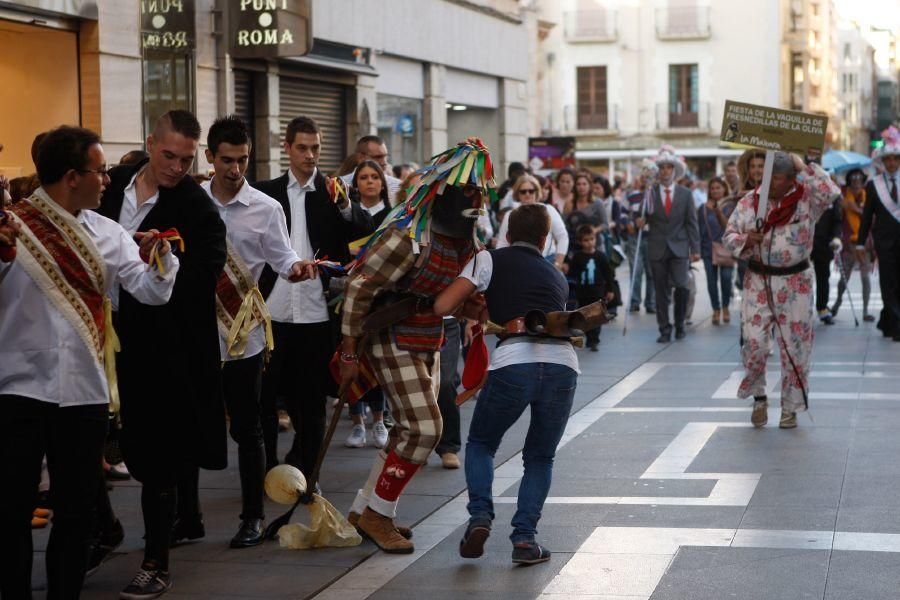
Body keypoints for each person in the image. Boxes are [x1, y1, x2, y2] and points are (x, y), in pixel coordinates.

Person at [0, 125, 178, 600]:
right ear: (71, 176)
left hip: (84, 392)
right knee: (12, 511)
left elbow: (151, 291)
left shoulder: (107, 231)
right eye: (99, 171)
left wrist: (160, 257)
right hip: (17, 389)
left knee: (77, 514)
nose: (107, 180)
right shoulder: (12, 228)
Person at [338, 138, 495, 554]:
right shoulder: (407, 237)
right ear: (442, 191)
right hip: (392, 336)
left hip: (431, 337)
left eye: (478, 190)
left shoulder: (466, 243)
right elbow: (358, 289)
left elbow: (458, 291)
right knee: (427, 428)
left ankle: (363, 509)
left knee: (408, 429)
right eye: (467, 190)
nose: (475, 198)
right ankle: (379, 515)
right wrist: (350, 353)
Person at [95, 110, 227, 598]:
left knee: (157, 456)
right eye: (169, 155)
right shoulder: (113, 184)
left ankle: (156, 559)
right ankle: (103, 528)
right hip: (96, 336)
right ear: (150, 143)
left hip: (159, 349)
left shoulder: (198, 209)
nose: (176, 166)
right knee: (89, 445)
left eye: (186, 159)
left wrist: (161, 262)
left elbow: (203, 278)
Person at [431, 203, 579, 565]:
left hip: (514, 362)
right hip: (563, 367)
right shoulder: (556, 275)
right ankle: (525, 540)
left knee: (482, 443)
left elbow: (442, 306)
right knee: (541, 457)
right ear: (545, 239)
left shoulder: (489, 259)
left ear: (507, 234)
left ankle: (481, 515)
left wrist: (471, 299)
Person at [200, 115, 315, 548]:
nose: (235, 170)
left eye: (243, 160)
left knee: (249, 428)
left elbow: (282, 256)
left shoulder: (267, 208)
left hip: (241, 333)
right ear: (210, 157)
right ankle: (186, 516)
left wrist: (297, 269)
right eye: (226, 160)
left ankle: (252, 516)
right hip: (196, 330)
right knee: (191, 423)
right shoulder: (193, 202)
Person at [253, 116, 374, 482]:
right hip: (270, 310)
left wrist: (346, 210)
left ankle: (308, 472)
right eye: (302, 147)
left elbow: (365, 235)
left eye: (316, 148)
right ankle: (266, 471)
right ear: (286, 148)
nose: (310, 155)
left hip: (317, 312)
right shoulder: (266, 192)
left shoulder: (335, 192)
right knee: (265, 399)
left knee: (312, 400)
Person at [722, 152, 840, 429]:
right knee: (754, 344)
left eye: (778, 177)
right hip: (758, 280)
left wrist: (803, 165)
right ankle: (760, 396)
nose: (772, 182)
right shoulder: (750, 202)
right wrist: (746, 239)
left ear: (791, 179)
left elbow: (830, 191)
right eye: (769, 176)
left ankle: (791, 407)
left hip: (796, 282)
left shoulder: (807, 200)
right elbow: (728, 237)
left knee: (796, 348)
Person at [345, 160, 392, 450]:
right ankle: (357, 422)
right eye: (364, 177)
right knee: (351, 359)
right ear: (356, 183)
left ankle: (379, 420)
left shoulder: (393, 215)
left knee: (378, 361)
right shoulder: (349, 214)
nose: (370, 182)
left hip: (383, 297)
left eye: (375, 177)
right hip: (352, 294)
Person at [639, 146, 700, 342]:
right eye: (662, 167)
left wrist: (696, 249)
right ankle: (664, 329)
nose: (665, 171)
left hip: (680, 248)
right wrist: (639, 221)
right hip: (657, 248)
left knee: (682, 286)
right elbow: (642, 216)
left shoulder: (685, 193)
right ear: (658, 171)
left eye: (669, 167)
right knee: (661, 291)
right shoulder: (650, 192)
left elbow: (691, 222)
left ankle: (680, 322)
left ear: (674, 171)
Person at [856, 125, 900, 342]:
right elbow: (866, 216)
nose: (891, 163)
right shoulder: (874, 185)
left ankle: (889, 319)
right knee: (887, 282)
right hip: (884, 242)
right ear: (882, 161)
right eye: (888, 159)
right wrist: (860, 243)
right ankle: (895, 324)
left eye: (895, 159)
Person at [496, 174, 568, 269]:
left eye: (531, 191)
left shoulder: (548, 210)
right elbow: (502, 243)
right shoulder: (510, 214)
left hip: (547, 261)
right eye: (523, 191)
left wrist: (558, 264)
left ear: (537, 191)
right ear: (517, 193)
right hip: (518, 264)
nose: (527, 194)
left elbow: (563, 237)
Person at [831, 169, 874, 321]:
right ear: (849, 180)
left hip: (864, 244)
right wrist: (842, 208)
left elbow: (872, 217)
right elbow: (836, 218)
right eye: (853, 178)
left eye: (859, 178)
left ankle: (865, 311)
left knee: (865, 276)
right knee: (844, 278)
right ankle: (837, 303)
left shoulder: (869, 195)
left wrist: (854, 208)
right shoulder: (843, 196)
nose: (856, 181)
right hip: (848, 243)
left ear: (863, 181)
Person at [568, 224, 616, 349]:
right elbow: (572, 273)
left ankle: (594, 339)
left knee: (596, 316)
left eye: (592, 239)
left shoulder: (601, 256)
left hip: (597, 292)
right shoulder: (578, 257)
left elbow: (608, 274)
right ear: (580, 241)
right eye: (586, 240)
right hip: (583, 292)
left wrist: (610, 289)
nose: (590, 243)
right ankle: (587, 335)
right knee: (584, 316)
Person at [698, 176, 736, 325]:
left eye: (718, 188)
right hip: (708, 249)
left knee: (726, 279)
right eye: (712, 188)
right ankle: (716, 309)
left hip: (726, 248)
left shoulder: (731, 206)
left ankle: (725, 306)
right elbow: (699, 230)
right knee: (711, 282)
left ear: (724, 189)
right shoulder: (703, 208)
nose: (715, 191)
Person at [623, 177, 656, 314]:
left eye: (649, 178)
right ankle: (635, 302)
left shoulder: (655, 197)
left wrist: (647, 222)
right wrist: (628, 224)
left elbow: (659, 217)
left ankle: (651, 302)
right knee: (635, 270)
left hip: (652, 237)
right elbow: (622, 213)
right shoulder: (631, 196)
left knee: (651, 272)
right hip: (635, 237)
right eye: (643, 177)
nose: (645, 181)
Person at [811, 188, 843, 325]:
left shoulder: (832, 195)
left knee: (823, 276)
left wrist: (836, 237)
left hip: (824, 243)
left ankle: (822, 309)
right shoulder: (801, 191)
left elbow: (837, 220)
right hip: (800, 243)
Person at [342, 135, 402, 202]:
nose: (384, 162)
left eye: (385, 156)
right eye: (378, 157)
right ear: (361, 158)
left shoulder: (398, 186)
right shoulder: (340, 185)